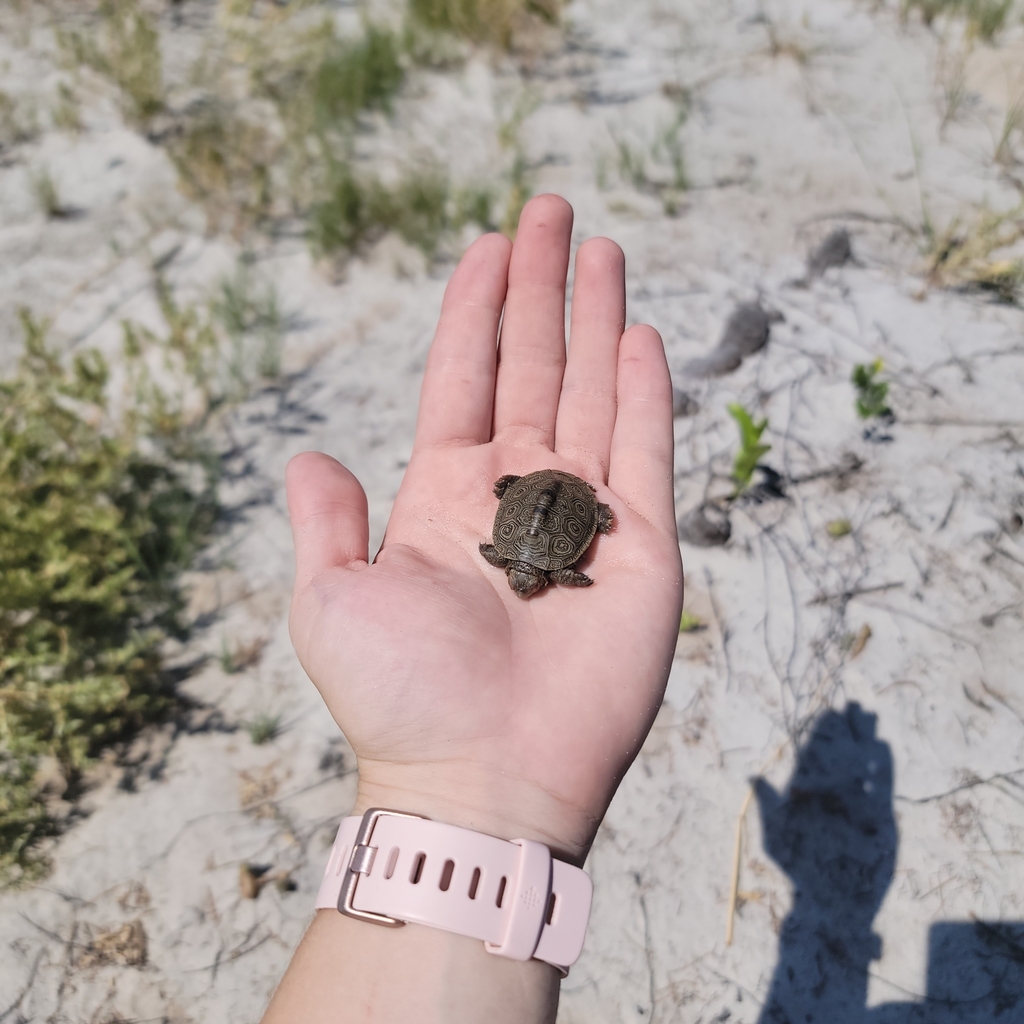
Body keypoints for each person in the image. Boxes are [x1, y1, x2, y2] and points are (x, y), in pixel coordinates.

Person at [262, 194, 684, 1023]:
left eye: (530, 583)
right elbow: (527, 533)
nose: (525, 587)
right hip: (549, 505)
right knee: (550, 507)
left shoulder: (519, 562)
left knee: (537, 504)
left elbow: (517, 523)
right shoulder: (532, 567)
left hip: (545, 500)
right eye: (527, 582)